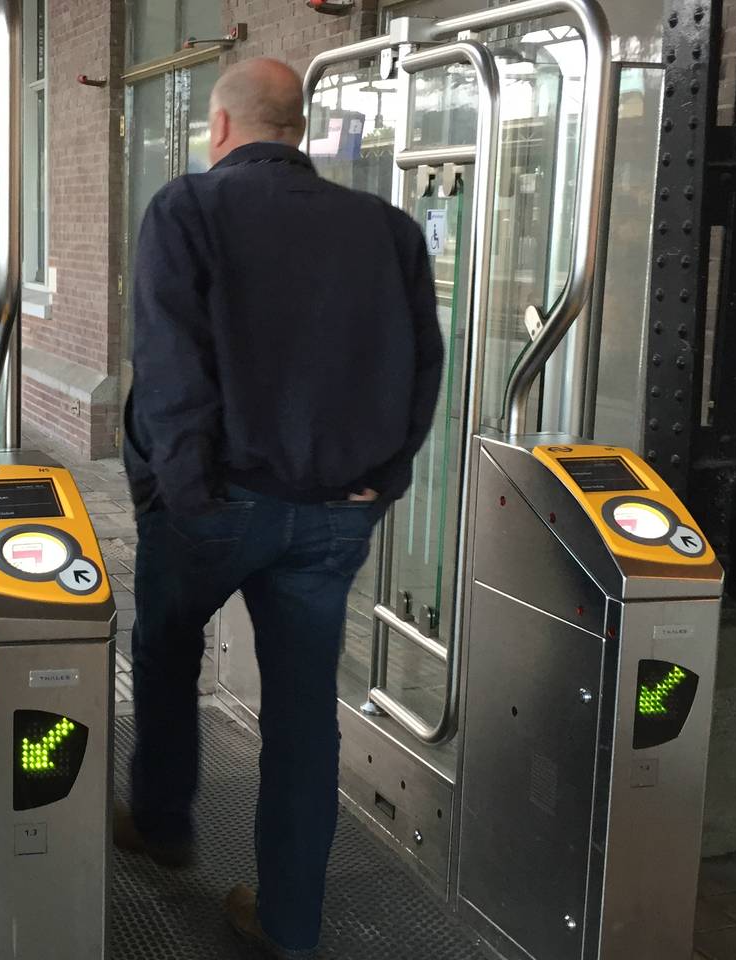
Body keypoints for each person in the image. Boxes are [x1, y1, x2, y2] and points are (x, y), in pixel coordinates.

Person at [117, 58, 444, 958]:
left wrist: (182, 495)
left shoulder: (187, 210)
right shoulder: (387, 228)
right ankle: (290, 921)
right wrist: (388, 473)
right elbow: (425, 362)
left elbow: (171, 364)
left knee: (165, 651)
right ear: (296, 128)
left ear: (220, 128)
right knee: (304, 714)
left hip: (215, 504)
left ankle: (162, 823)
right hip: (337, 511)